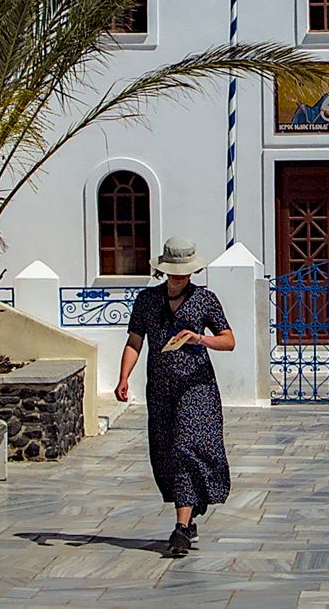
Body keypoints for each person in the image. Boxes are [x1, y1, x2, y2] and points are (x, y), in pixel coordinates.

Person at [114, 235, 235, 558]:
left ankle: (180, 529)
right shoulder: (147, 301)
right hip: (161, 389)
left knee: (186, 448)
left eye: (185, 272)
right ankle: (190, 511)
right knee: (167, 452)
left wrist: (200, 339)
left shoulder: (205, 300)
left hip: (197, 388)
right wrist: (124, 377)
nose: (180, 278)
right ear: (165, 271)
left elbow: (229, 340)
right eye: (174, 272)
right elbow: (134, 341)